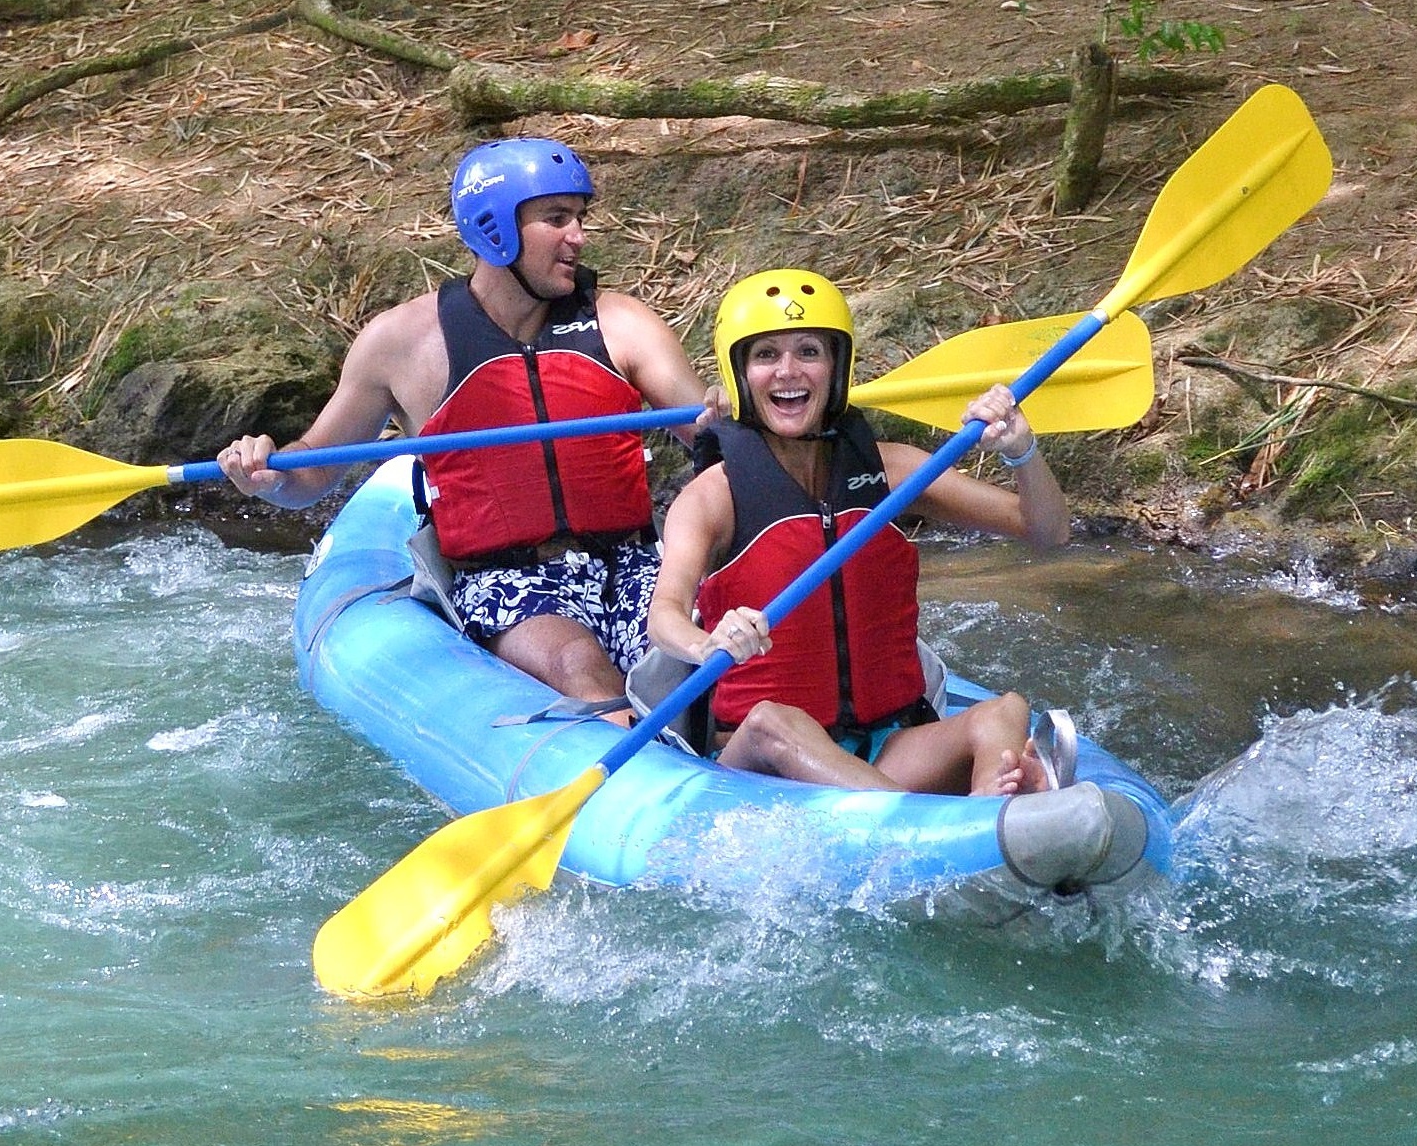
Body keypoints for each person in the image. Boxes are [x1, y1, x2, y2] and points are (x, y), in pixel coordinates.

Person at [217, 137, 708, 718]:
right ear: (494, 229)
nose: (578, 236)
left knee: (698, 675)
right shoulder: (402, 342)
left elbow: (715, 443)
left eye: (580, 218)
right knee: (580, 668)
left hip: (633, 563)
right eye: (556, 219)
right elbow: (312, 470)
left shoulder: (621, 322)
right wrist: (265, 474)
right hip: (506, 579)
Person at [644, 269, 1071, 796]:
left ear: (836, 368)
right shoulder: (715, 494)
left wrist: (1020, 452)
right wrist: (710, 641)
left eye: (808, 351)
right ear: (740, 375)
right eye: (765, 355)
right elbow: (664, 614)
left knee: (1005, 711)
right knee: (773, 721)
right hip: (763, 762)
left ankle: (991, 822)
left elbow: (1046, 531)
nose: (788, 371)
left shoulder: (891, 471)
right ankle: (944, 821)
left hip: (888, 745)